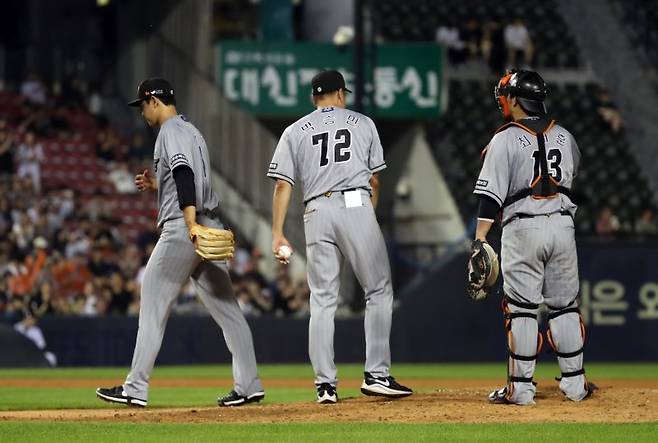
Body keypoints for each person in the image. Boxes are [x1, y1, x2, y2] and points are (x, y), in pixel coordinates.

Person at [96, 78, 264, 408]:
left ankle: (135, 387)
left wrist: (189, 224)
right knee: (229, 311)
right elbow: (184, 176)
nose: (142, 111)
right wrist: (158, 182)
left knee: (153, 300)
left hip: (185, 228)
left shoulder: (170, 131)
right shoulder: (191, 131)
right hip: (208, 220)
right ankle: (249, 384)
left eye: (143, 104)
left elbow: (185, 175)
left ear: (154, 101)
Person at [267, 70, 413, 404]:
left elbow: (282, 184)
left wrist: (277, 233)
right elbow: (374, 181)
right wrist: (365, 217)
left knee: (322, 300)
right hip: (354, 202)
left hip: (316, 211)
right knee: (378, 290)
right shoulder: (363, 123)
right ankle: (376, 373)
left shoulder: (294, 131)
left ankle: (325, 386)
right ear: (341, 95)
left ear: (313, 98)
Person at [473, 69, 596, 405]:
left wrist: (481, 238)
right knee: (565, 307)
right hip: (561, 223)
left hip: (523, 225)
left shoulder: (505, 138)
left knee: (522, 309)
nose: (502, 101)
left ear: (515, 99)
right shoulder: (565, 136)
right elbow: (571, 175)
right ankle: (575, 386)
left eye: (505, 95)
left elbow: (490, 196)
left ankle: (521, 389)